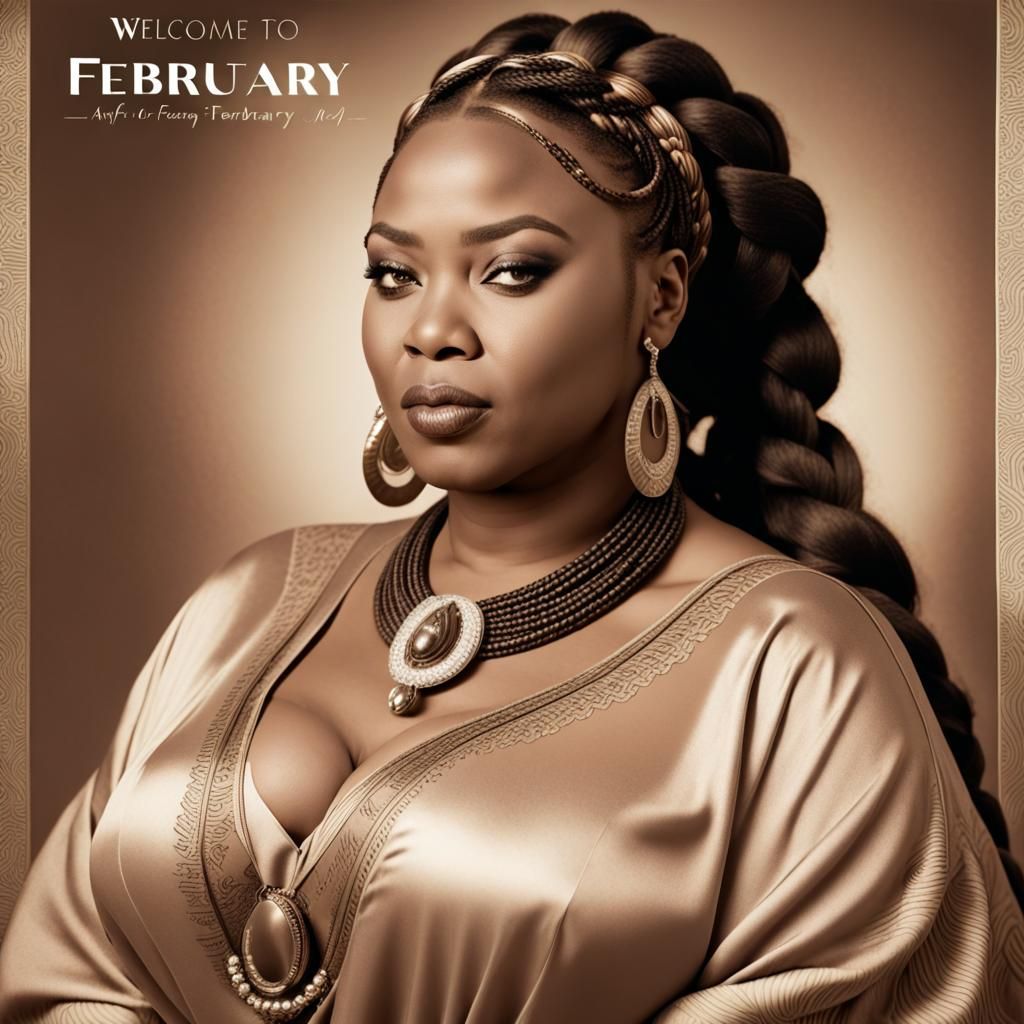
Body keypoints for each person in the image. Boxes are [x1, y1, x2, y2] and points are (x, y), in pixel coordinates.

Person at [2, 10, 1022, 1023]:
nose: (433, 330)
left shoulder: (794, 661)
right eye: (394, 273)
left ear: (659, 299)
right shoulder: (248, 597)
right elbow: (69, 973)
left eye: (511, 270)